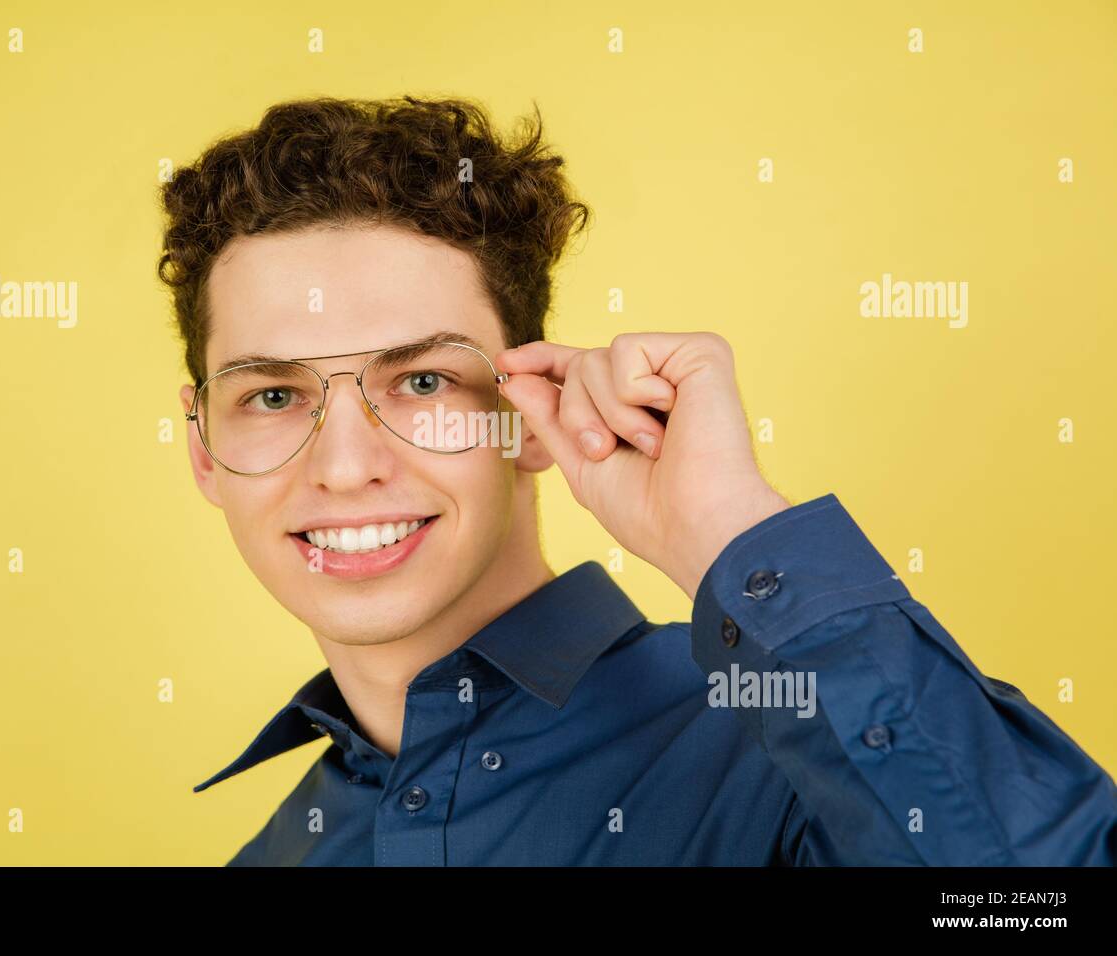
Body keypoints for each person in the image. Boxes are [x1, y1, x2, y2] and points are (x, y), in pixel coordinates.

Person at [158, 95, 1117, 865]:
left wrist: (726, 530)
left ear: (530, 413)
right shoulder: (279, 854)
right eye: (274, 396)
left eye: (419, 382)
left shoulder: (791, 751)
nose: (346, 464)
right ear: (205, 452)